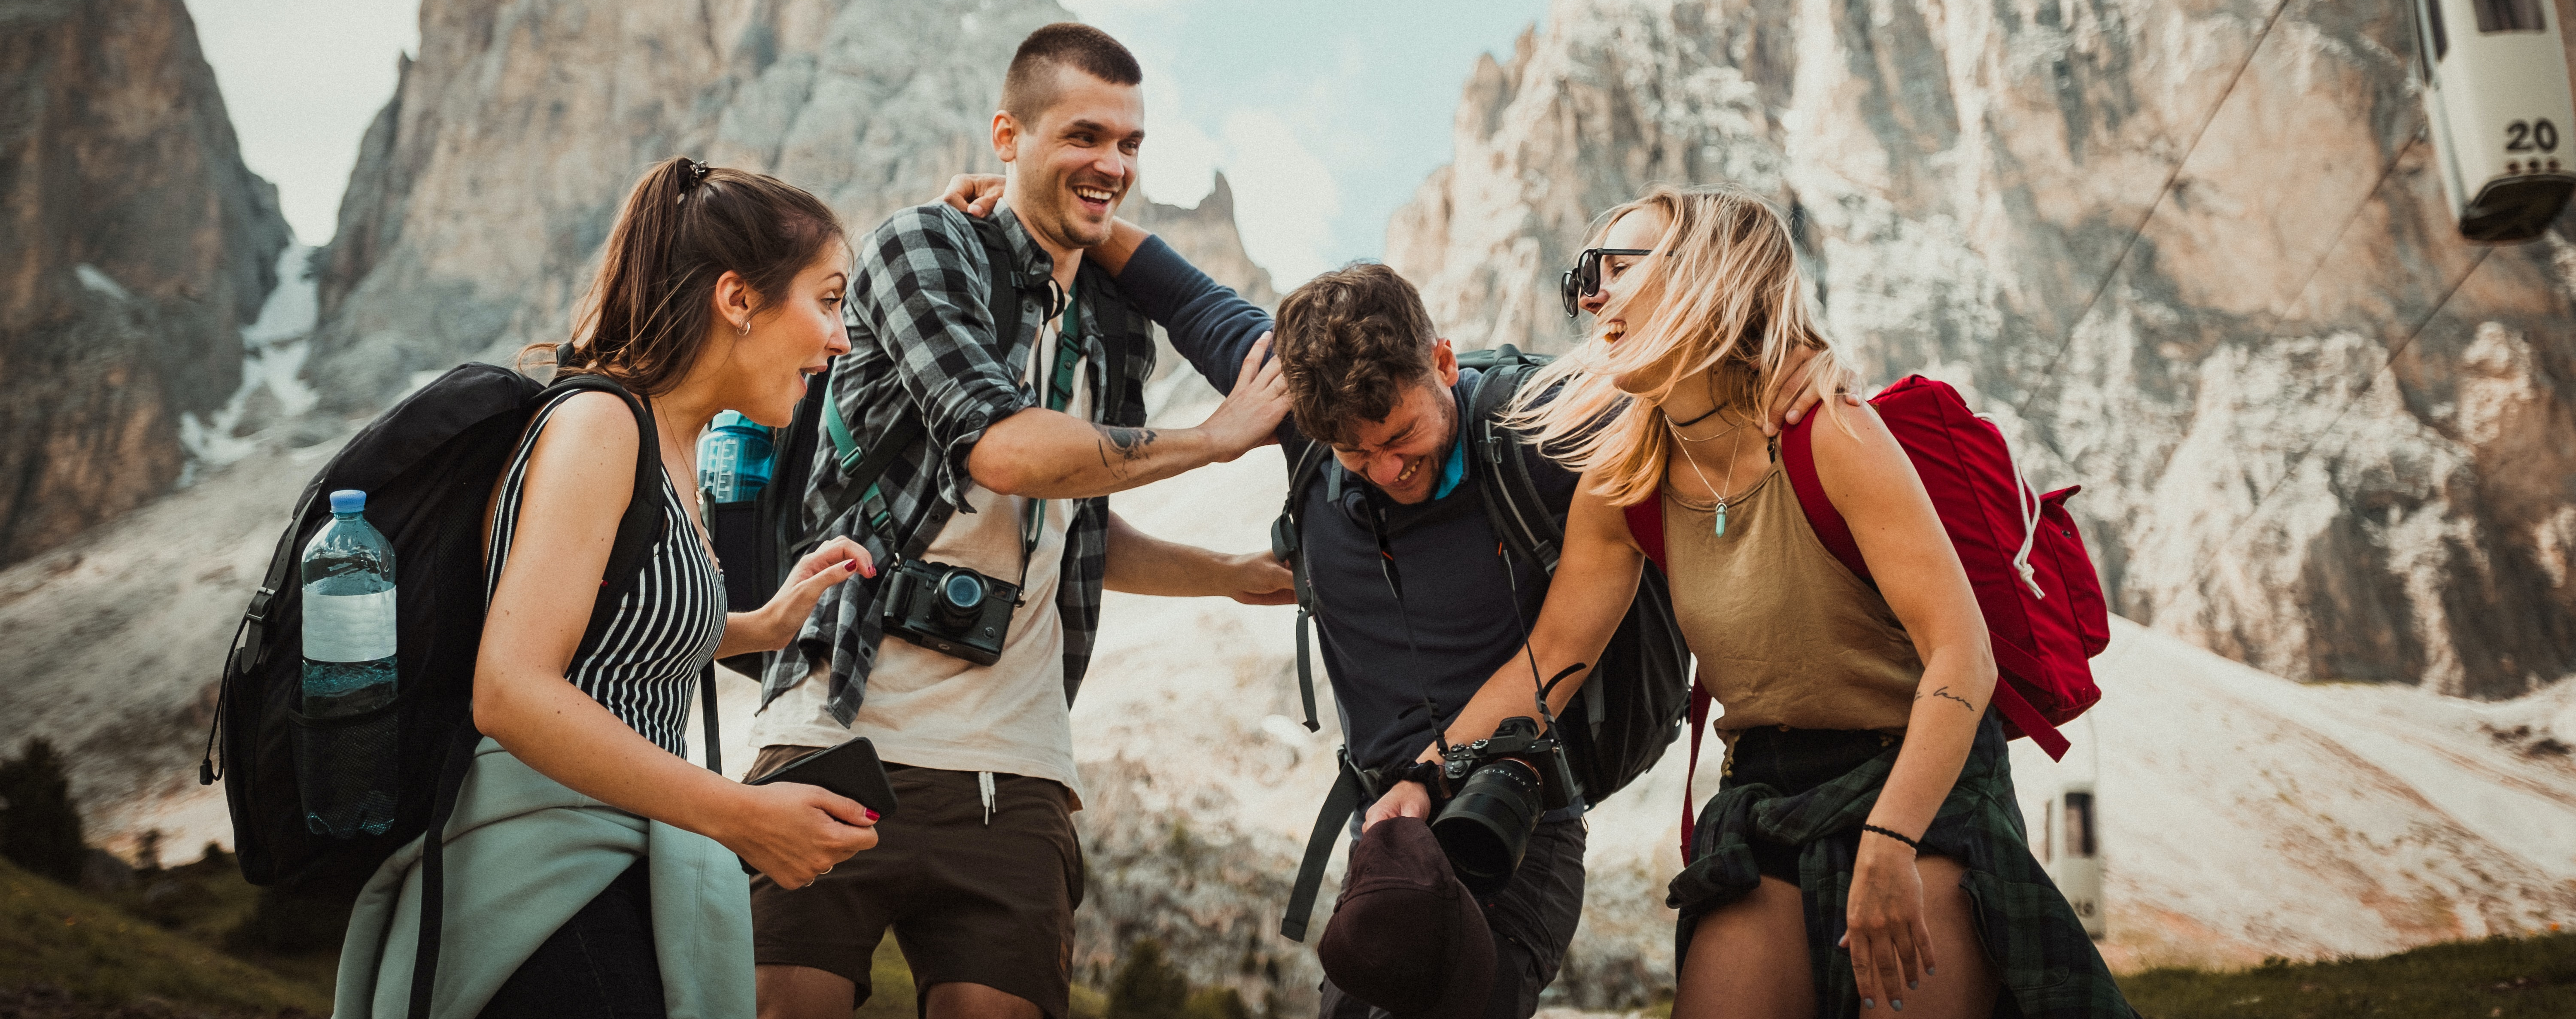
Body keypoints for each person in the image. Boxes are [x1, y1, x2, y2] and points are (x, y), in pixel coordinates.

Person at [931, 172, 1841, 1018]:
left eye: (1403, 435)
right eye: (1356, 454)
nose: (1389, 468)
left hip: (1514, 819)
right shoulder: (1301, 415)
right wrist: (1043, 204)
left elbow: (1701, 392)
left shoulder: (1539, 430)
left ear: (1443, 361)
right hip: (1388, 831)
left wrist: (1799, 367)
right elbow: (1179, 291)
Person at [1450, 183, 2136, 1019]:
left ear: (1712, 273)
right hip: (1763, 796)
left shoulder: (1830, 433)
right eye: (1579, 278)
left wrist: (1892, 839)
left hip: (1917, 774)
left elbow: (1965, 654)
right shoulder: (1622, 482)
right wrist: (1417, 781)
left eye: (1613, 268)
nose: (1589, 294)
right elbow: (1551, 657)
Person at [749, 23, 1295, 1019]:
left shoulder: (1117, 322)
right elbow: (999, 447)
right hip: (840, 726)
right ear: (1008, 134)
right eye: (1085, 135)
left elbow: (1075, 529)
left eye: (1131, 144)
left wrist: (1228, 572)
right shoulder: (923, 247)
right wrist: (1212, 440)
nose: (1113, 164)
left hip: (1019, 767)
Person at [335, 157, 884, 1018]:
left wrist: (760, 625)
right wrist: (742, 816)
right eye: (826, 299)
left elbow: (611, 629)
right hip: (539, 885)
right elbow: (511, 691)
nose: (841, 338)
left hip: (611, 864)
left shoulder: (670, 446)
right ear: (738, 300)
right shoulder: (601, 423)